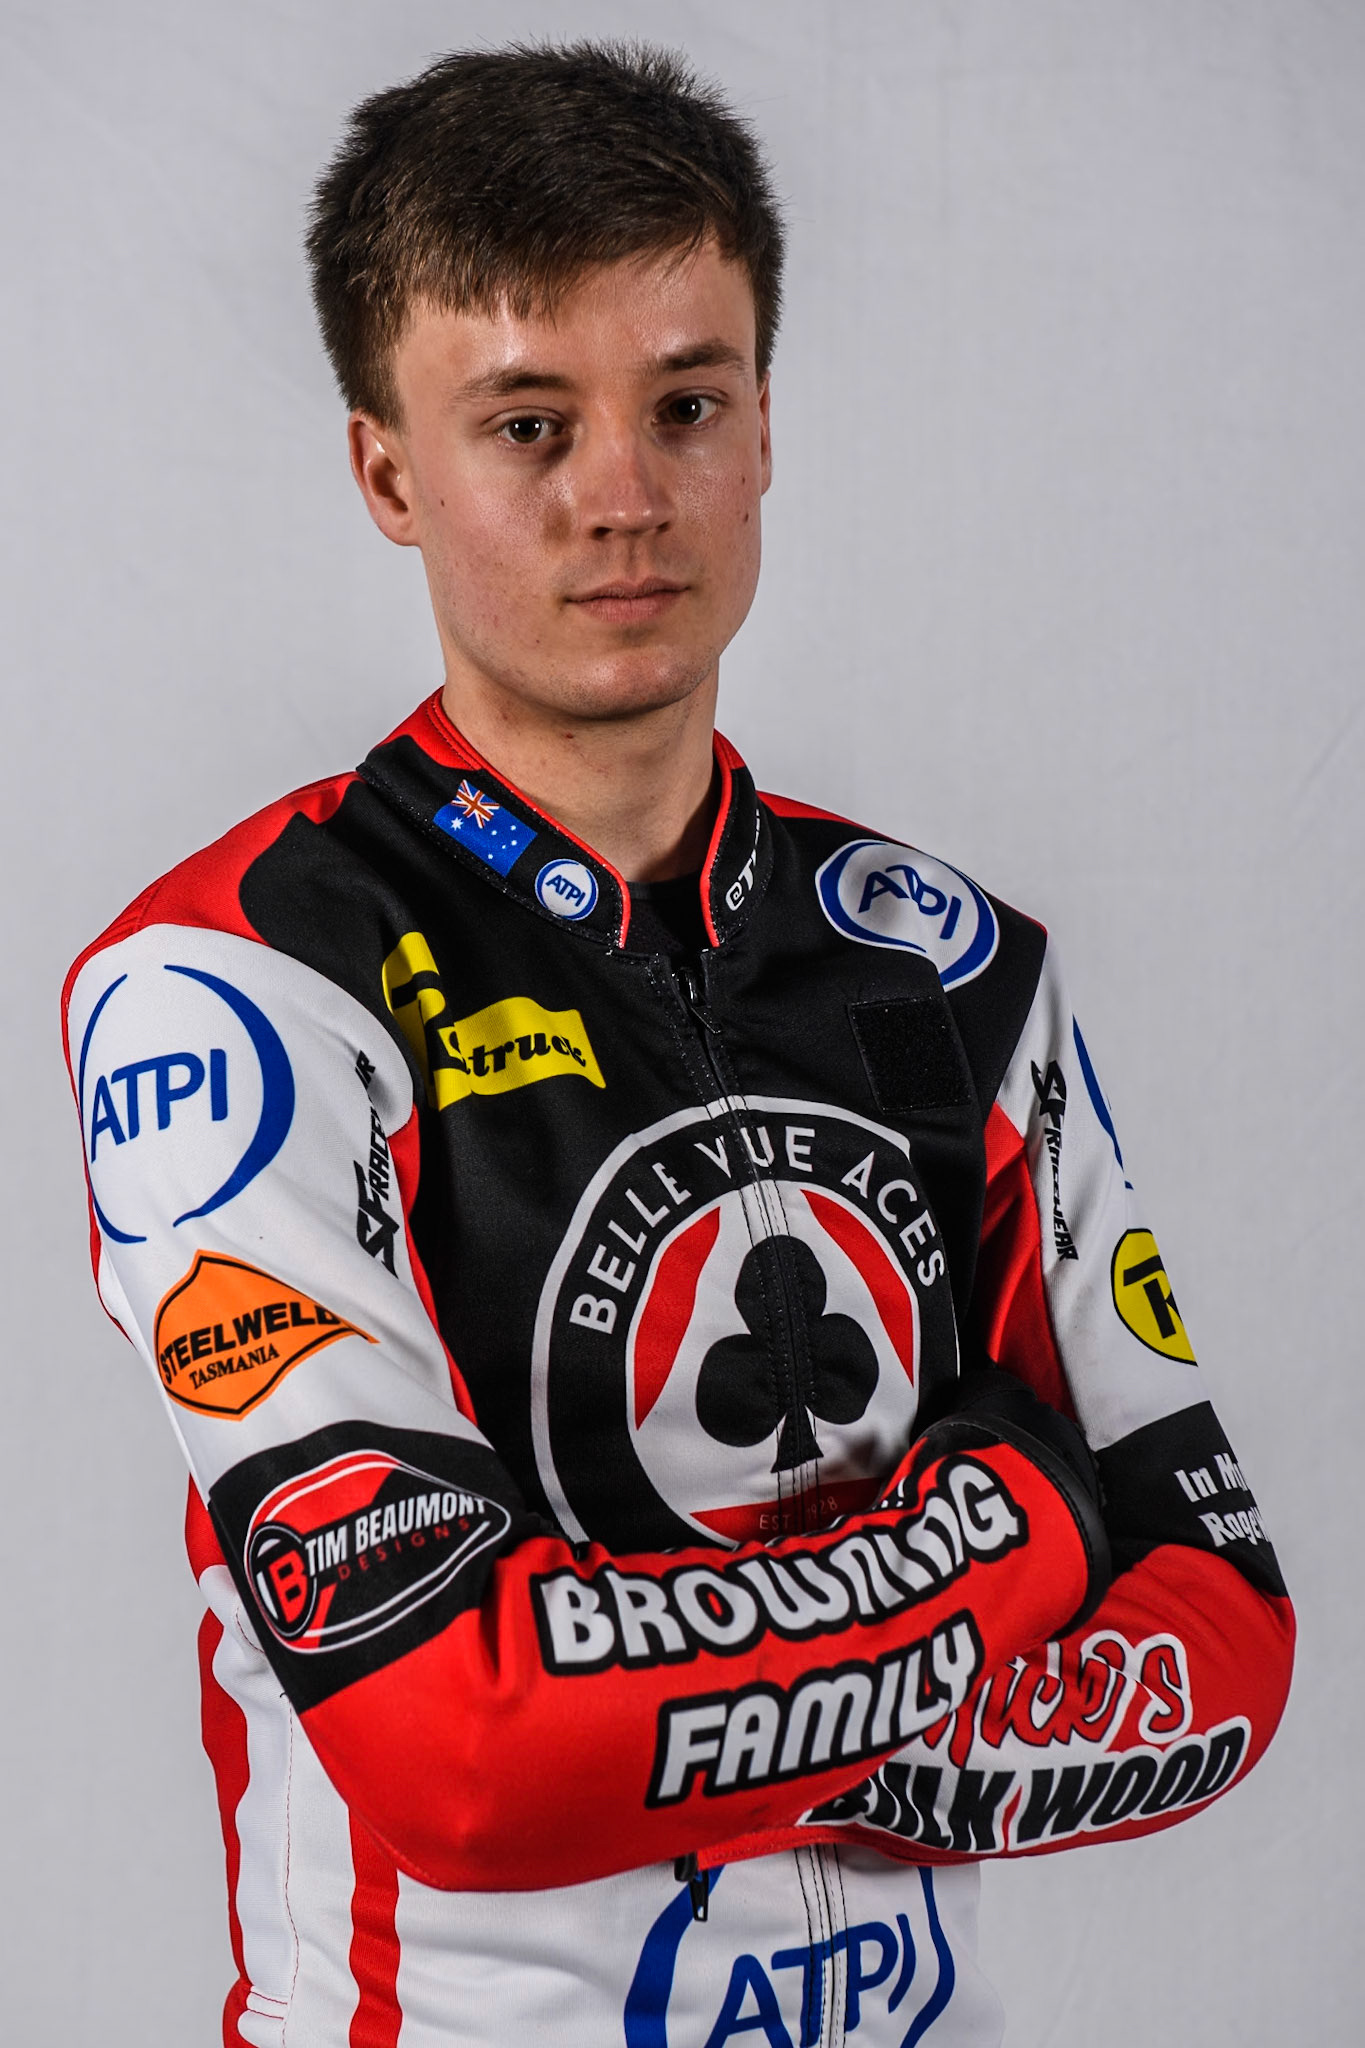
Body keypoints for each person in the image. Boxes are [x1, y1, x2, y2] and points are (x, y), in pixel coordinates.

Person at [62, 41, 1292, 2048]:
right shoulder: (236, 982)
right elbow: (456, 1754)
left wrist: (666, 1731)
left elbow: (1223, 1642)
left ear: (766, 427)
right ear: (387, 469)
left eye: (686, 404)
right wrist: (1023, 1525)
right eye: (526, 424)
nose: (624, 496)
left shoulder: (949, 963)